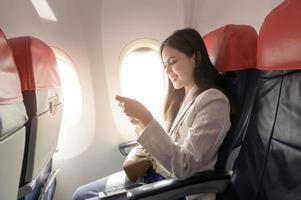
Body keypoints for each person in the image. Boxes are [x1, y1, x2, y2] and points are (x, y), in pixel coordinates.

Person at [73, 28, 232, 200]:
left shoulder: (213, 101)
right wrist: (142, 123)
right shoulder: (182, 97)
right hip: (156, 175)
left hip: (180, 190)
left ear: (195, 58)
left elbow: (184, 167)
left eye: (173, 61)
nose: (168, 70)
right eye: (165, 65)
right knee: (80, 194)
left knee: (84, 198)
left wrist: (146, 118)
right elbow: (171, 142)